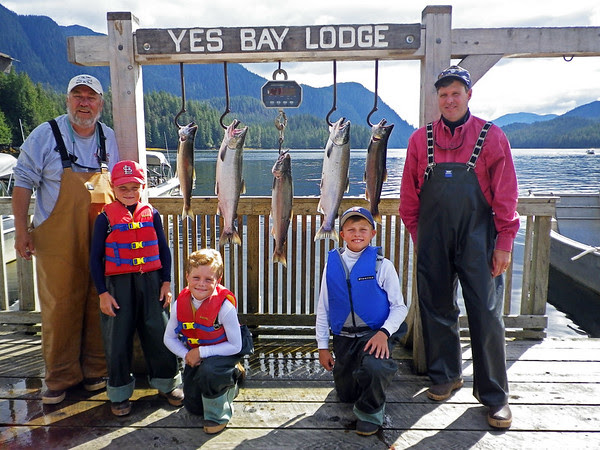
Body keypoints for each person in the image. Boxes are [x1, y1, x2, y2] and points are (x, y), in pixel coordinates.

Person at [399, 65, 520, 429]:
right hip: (432, 237)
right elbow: (409, 197)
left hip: (479, 238)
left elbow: (506, 195)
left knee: (486, 313)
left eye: (456, 93)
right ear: (437, 98)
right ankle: (446, 375)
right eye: (443, 94)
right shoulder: (420, 140)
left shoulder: (492, 136)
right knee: (436, 307)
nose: (449, 100)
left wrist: (504, 242)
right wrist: (420, 236)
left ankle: (494, 396)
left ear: (469, 95)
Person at [12, 74, 120, 405]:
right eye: (78, 96)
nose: (84, 103)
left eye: (91, 97)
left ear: (101, 103)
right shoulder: (45, 134)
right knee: (59, 304)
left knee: (99, 299)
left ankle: (96, 371)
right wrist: (21, 230)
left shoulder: (108, 136)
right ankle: (59, 377)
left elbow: (122, 184)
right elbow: (22, 182)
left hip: (102, 236)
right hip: (56, 237)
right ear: (67, 100)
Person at [89, 160, 183, 416]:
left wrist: (166, 282)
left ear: (142, 187)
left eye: (134, 187)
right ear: (113, 188)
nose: (129, 192)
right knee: (117, 338)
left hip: (151, 282)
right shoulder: (105, 218)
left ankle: (167, 383)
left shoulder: (152, 214)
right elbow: (95, 259)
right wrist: (102, 293)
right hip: (117, 286)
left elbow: (163, 250)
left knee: (159, 330)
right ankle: (119, 392)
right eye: (123, 188)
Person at [315, 206, 408, 436]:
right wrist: (323, 347)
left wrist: (384, 333)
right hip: (344, 337)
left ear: (372, 234)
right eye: (351, 229)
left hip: (374, 334)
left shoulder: (382, 265)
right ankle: (360, 379)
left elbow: (399, 307)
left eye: (363, 229)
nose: (357, 234)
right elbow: (323, 308)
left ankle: (371, 412)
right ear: (342, 234)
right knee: (346, 395)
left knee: (376, 368)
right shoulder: (332, 264)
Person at [163, 249, 253, 435]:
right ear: (187, 276)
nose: (201, 284)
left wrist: (201, 352)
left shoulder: (225, 307)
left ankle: (218, 415)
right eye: (196, 277)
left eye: (208, 279)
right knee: (194, 407)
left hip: (227, 351)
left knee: (210, 372)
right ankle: (232, 378)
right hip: (196, 354)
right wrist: (188, 355)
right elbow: (169, 338)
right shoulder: (180, 303)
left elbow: (235, 346)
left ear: (218, 280)